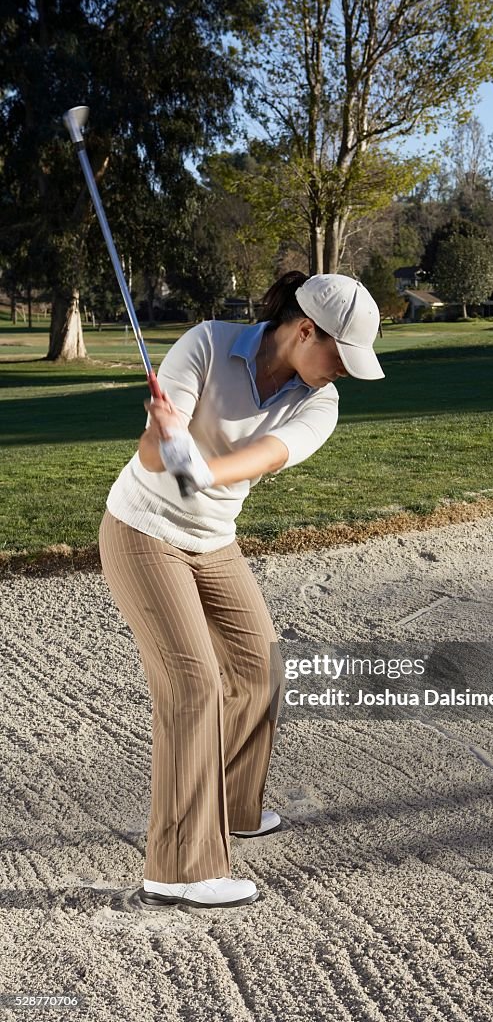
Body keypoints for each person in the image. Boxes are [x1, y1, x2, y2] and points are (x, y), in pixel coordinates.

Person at [98, 271, 384, 910]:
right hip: (142, 531)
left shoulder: (321, 402)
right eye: (339, 357)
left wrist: (196, 464)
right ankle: (178, 867)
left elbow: (250, 463)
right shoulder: (204, 344)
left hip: (212, 538)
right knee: (193, 682)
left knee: (259, 668)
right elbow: (153, 461)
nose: (341, 373)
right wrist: (163, 434)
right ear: (305, 329)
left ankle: (233, 808)